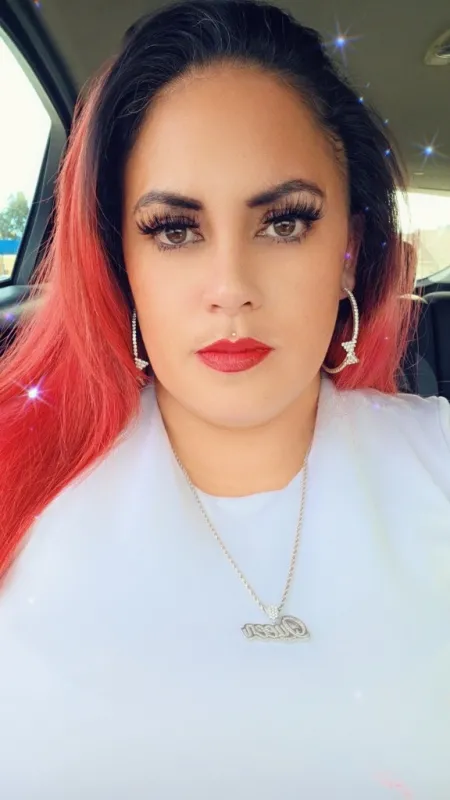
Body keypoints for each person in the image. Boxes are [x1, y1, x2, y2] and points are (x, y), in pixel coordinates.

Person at [0, 0, 449, 797]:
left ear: (349, 251)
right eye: (175, 229)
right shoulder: (19, 490)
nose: (231, 288)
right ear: (121, 261)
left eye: (284, 223)